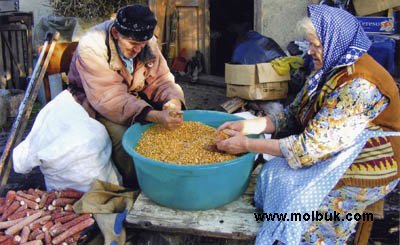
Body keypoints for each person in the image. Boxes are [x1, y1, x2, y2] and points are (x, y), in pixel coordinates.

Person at [217, 4, 400, 244]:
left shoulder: (360, 86)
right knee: (273, 174)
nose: (310, 52)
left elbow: (308, 149)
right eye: (310, 44)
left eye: (317, 45)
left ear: (336, 42)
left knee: (310, 212)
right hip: (330, 144)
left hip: (371, 157)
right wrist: (248, 127)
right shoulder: (328, 68)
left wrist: (247, 144)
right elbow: (293, 116)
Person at [68, 5, 185, 189]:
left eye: (142, 44)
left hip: (130, 92)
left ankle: (174, 172)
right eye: (132, 44)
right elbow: (109, 98)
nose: (138, 49)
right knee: (123, 136)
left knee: (172, 126)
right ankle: (139, 185)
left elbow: (161, 79)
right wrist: (152, 114)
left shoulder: (146, 42)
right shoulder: (91, 46)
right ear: (115, 33)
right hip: (96, 97)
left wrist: (173, 102)